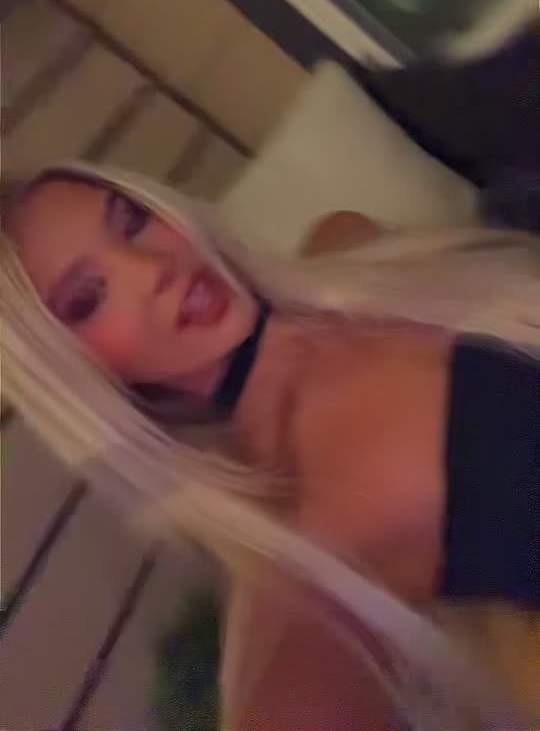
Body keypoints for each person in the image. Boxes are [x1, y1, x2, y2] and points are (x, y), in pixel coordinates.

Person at [2, 161, 539, 731]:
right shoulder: (315, 559)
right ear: (81, 379)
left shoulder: (345, 246)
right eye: (88, 298)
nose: (153, 269)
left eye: (131, 221)